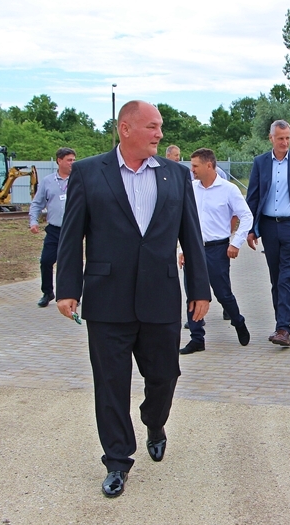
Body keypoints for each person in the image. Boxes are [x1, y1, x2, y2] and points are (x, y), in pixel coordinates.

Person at [55, 100, 210, 498]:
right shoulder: (89, 172)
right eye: (152, 126)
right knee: (110, 384)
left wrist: (200, 290)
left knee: (165, 375)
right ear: (125, 129)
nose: (160, 133)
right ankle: (117, 460)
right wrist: (67, 288)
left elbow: (191, 236)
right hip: (107, 298)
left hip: (160, 294)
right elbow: (71, 235)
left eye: (160, 126)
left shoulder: (176, 175)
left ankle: (154, 421)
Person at [245, 119, 290, 347]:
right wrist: (251, 229)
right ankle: (280, 325)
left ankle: (283, 328)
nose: (285, 143)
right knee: (276, 278)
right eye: (280, 138)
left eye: (287, 138)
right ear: (271, 138)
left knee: (286, 277)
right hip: (268, 227)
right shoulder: (260, 162)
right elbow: (253, 197)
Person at [179, 148, 253, 354]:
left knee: (222, 293)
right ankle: (197, 338)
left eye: (195, 166)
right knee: (193, 294)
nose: (192, 170)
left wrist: (236, 243)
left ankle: (238, 321)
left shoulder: (228, 189)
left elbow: (246, 216)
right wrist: (182, 249)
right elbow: (185, 221)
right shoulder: (191, 188)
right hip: (194, 248)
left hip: (217, 250)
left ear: (209, 165)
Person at [29, 147, 75, 307]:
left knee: (69, 263)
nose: (72, 163)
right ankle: (47, 292)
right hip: (54, 229)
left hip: (72, 230)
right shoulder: (47, 181)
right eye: (69, 160)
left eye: (74, 160)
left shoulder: (78, 179)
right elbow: (37, 203)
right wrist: (33, 221)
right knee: (46, 261)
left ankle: (70, 294)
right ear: (59, 161)